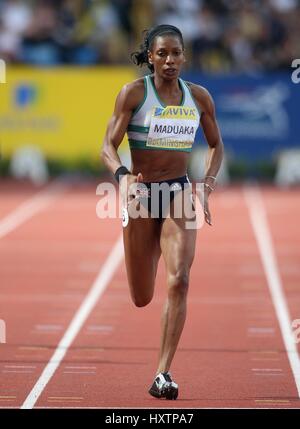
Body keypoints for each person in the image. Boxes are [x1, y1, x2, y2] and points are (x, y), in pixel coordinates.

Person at [101, 24, 224, 400]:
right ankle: (146, 241)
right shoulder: (134, 93)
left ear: (184, 56)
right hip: (140, 195)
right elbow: (107, 145)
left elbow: (217, 146)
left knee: (179, 280)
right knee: (141, 296)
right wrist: (121, 176)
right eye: (162, 54)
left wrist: (206, 183)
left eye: (176, 53)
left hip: (177, 191)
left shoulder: (199, 97)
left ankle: (162, 373)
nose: (170, 60)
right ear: (151, 57)